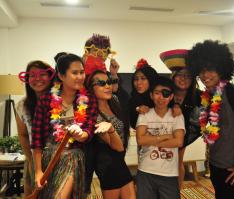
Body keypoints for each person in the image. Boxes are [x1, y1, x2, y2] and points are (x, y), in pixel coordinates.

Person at [187, 40, 234, 199]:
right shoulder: (208, 96)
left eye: (210, 69)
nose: (205, 75)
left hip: (233, 166)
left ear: (221, 69)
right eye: (201, 70)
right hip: (215, 163)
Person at [31, 54, 98, 199]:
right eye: (74, 73)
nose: (80, 76)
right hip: (49, 158)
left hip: (73, 158)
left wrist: (81, 134)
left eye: (82, 72)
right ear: (61, 76)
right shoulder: (46, 100)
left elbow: (90, 129)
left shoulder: (89, 99)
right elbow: (37, 140)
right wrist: (38, 171)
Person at [85, 70, 136, 199]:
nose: (107, 86)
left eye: (108, 82)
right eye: (101, 83)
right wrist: (111, 129)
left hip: (119, 161)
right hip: (107, 165)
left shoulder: (114, 100)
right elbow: (118, 147)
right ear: (91, 88)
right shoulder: (93, 114)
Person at [136, 76, 185, 199]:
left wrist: (151, 140)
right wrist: (166, 137)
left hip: (169, 173)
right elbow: (140, 140)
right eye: (157, 93)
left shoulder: (177, 115)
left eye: (165, 94)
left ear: (171, 97)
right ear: (151, 95)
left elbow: (179, 141)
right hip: (146, 171)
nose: (161, 97)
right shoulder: (145, 114)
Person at [160, 49, 201, 187]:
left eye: (188, 76)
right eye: (180, 75)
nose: (183, 79)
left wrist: (182, 140)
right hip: (160, 136)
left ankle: (175, 193)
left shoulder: (198, 97)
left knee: (177, 162)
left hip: (182, 137)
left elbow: (199, 122)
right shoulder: (164, 92)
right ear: (173, 76)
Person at [16, 60, 55, 196]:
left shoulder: (61, 100)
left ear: (50, 76)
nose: (37, 78)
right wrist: (31, 160)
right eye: (32, 75)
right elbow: (22, 134)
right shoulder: (22, 105)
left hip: (59, 159)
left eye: (42, 74)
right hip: (34, 159)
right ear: (27, 79)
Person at [128, 58, 159, 129]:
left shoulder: (162, 99)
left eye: (143, 78)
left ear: (151, 80)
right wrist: (137, 109)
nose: (138, 83)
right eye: (136, 79)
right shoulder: (132, 101)